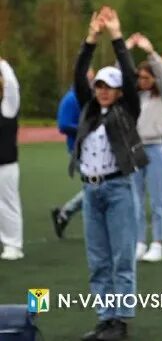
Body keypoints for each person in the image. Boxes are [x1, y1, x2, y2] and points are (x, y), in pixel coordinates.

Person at [70, 7, 148, 340]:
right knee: (98, 259)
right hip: (91, 190)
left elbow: (130, 77)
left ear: (118, 91)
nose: (102, 90)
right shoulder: (88, 109)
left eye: (109, 86)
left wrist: (116, 36)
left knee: (121, 257)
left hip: (118, 188)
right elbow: (78, 75)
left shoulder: (127, 109)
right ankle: (105, 318)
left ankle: (121, 321)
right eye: (98, 84)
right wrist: (90, 38)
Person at [128, 33, 162, 263]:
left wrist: (151, 53)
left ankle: (157, 243)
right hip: (135, 149)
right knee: (135, 199)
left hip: (155, 149)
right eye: (140, 77)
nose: (142, 81)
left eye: (147, 77)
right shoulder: (134, 97)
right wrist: (124, 48)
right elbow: (121, 77)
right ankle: (139, 241)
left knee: (156, 200)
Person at [51, 68, 95, 238]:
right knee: (95, 187)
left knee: (95, 186)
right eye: (89, 79)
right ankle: (65, 213)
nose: (91, 83)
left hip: (92, 150)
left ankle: (64, 214)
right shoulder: (70, 99)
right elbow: (63, 125)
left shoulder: (88, 98)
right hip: (79, 151)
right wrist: (87, 129)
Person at [0, 55, 23, 261]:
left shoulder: (8, 107)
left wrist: (3, 64)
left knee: (7, 204)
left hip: (5, 166)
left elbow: (12, 87)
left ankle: (13, 245)